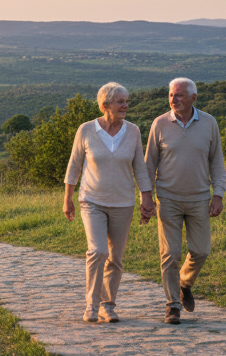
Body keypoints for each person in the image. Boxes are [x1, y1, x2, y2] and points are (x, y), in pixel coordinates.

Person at [62, 82, 153, 323]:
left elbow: (140, 168)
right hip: (92, 200)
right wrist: (67, 198)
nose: (126, 105)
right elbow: (74, 165)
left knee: (115, 258)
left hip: (123, 203)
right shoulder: (86, 130)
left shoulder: (133, 131)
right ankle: (91, 306)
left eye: (126, 101)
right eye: (120, 101)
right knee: (98, 251)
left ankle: (108, 306)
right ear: (105, 105)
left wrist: (146, 199)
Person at [144, 77, 226, 325]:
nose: (174, 99)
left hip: (200, 199)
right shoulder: (159, 124)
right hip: (168, 199)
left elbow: (217, 162)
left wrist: (218, 194)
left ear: (194, 98)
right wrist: (146, 198)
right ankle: (172, 306)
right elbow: (149, 165)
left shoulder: (209, 123)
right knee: (170, 254)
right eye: (171, 95)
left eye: (179, 95)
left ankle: (184, 283)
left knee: (201, 250)